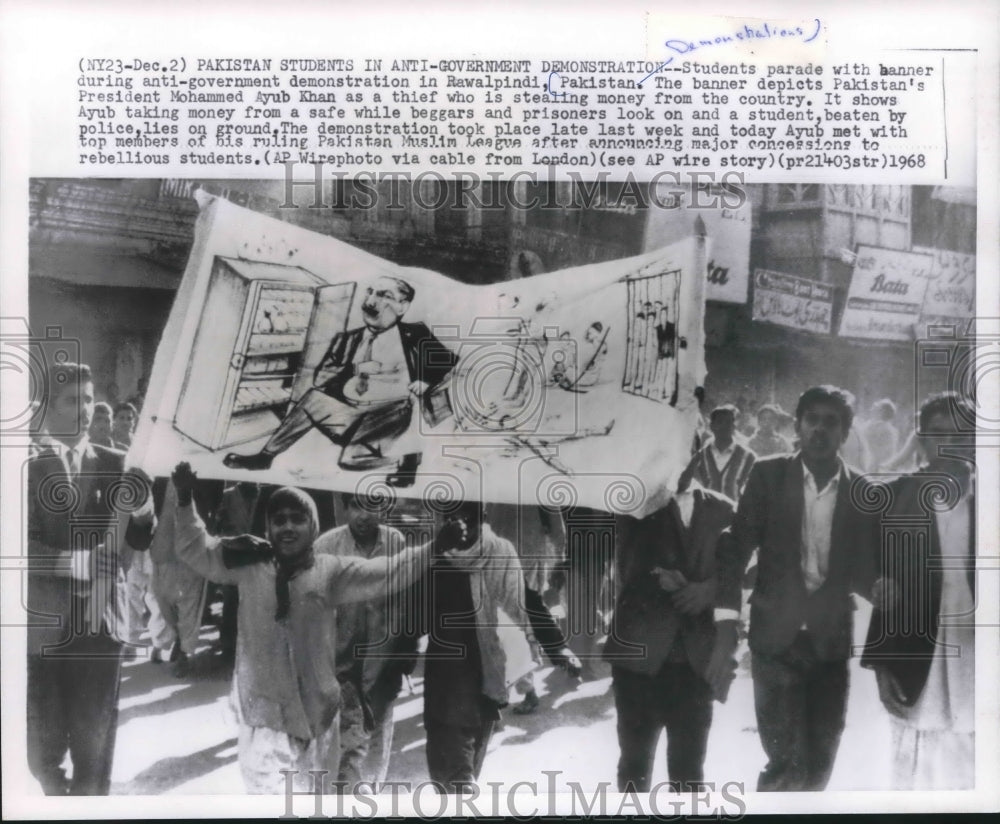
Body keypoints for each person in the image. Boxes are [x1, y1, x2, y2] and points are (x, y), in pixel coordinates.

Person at [169, 462, 435, 794]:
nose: (288, 528)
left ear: (313, 525)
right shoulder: (247, 563)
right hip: (265, 721)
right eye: (279, 520)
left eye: (298, 519)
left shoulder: (330, 571)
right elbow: (196, 548)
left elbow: (390, 571)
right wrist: (184, 500)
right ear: (268, 527)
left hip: (319, 720)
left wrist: (435, 547)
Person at [705, 385, 886, 791]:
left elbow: (860, 570)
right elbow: (734, 549)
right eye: (812, 420)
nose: (820, 430)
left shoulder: (862, 491)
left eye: (831, 422)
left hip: (830, 644)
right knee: (785, 763)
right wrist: (725, 629)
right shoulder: (769, 475)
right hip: (774, 642)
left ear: (845, 432)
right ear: (798, 427)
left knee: (822, 761)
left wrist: (882, 589)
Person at [26, 362, 155, 795]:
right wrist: (74, 562)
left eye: (87, 398)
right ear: (46, 409)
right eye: (70, 400)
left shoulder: (118, 464)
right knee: (39, 754)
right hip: (45, 629)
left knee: (94, 751)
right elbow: (18, 547)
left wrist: (143, 509)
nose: (82, 410)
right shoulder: (25, 468)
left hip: (101, 627)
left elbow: (139, 535)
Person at [223, 276, 458, 487]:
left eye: (385, 295)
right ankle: (265, 457)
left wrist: (426, 380)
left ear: (402, 306)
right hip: (349, 413)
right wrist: (353, 369)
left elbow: (449, 362)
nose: (372, 301)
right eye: (371, 292)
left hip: (389, 415)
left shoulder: (414, 334)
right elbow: (322, 379)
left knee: (349, 462)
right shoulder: (349, 339)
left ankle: (406, 459)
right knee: (314, 399)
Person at [861, 392, 976, 790]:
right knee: (913, 767)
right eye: (938, 434)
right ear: (922, 440)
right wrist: (880, 664)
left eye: (960, 435)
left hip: (978, 651)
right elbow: (884, 588)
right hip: (917, 650)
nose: (949, 445)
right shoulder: (896, 498)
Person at [604, 478, 736, 792]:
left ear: (697, 447)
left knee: (689, 773)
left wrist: (708, 591)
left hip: (695, 663)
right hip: (639, 662)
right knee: (634, 769)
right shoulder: (632, 502)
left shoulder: (723, 508)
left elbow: (747, 568)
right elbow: (625, 564)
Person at [420, 501, 530, 793]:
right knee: (451, 768)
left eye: (466, 515)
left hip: (485, 665)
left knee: (468, 762)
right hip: (444, 670)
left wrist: (544, 642)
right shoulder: (432, 553)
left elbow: (519, 603)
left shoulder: (499, 550)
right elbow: (413, 611)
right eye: (452, 516)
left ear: (482, 515)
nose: (460, 524)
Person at [315, 492, 419, 789]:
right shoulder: (326, 546)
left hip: (382, 665)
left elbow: (408, 599)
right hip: (340, 667)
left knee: (376, 749)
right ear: (345, 507)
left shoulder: (396, 542)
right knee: (343, 751)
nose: (364, 515)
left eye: (372, 505)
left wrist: (406, 651)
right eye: (357, 505)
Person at [683, 405, 757, 502]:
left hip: (736, 514)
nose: (724, 426)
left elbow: (756, 489)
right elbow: (684, 483)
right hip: (707, 512)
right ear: (712, 426)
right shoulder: (701, 455)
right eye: (719, 422)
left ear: (734, 426)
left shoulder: (748, 456)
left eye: (728, 422)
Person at [863, 399, 901, 470]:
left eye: (876, 407)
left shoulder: (879, 428)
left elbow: (876, 454)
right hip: (880, 467)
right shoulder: (890, 429)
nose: (872, 408)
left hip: (875, 468)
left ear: (881, 412)